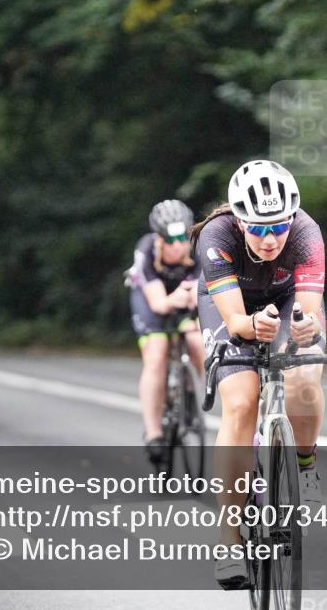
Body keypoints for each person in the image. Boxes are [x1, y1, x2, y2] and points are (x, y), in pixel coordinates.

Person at [191, 159, 326, 590]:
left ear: (292, 218)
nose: (269, 239)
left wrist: (305, 327)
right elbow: (235, 322)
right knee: (241, 402)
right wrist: (251, 326)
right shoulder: (217, 236)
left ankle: (304, 463)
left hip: (285, 298)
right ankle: (229, 538)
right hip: (229, 302)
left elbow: (308, 308)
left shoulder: (306, 233)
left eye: (278, 227)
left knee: (304, 378)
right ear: (238, 219)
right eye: (257, 228)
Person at [124, 200, 205, 466]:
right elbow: (159, 304)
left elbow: (205, 293)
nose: (177, 245)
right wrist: (180, 297)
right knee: (156, 354)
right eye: (170, 239)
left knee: (196, 340)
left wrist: (193, 296)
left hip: (183, 302)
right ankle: (154, 432)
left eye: (182, 237)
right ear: (159, 238)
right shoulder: (146, 251)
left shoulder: (198, 248)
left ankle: (191, 390)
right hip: (152, 301)